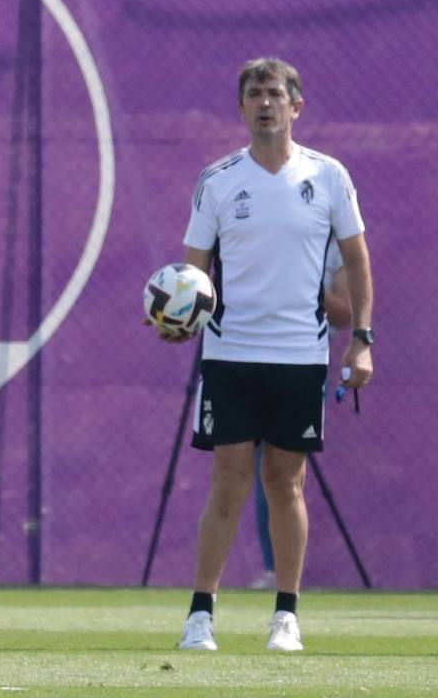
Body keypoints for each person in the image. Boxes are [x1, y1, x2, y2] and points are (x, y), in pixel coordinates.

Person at [157, 57, 373, 652]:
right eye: (255, 94)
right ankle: (201, 615)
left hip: (300, 356)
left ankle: (286, 615)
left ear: (296, 107)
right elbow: (191, 275)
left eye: (276, 94)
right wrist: (179, 319)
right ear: (242, 107)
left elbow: (357, 261)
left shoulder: (329, 177)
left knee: (287, 483)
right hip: (231, 354)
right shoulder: (219, 180)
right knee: (227, 482)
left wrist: (363, 339)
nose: (265, 103)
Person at [249, 253, 352, 591]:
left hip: (303, 361)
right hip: (246, 354)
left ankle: (283, 577)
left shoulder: (337, 240)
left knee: (283, 472)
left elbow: (343, 314)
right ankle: (269, 570)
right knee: (239, 468)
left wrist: (303, 282)